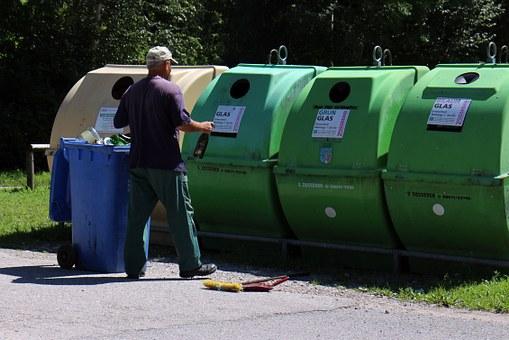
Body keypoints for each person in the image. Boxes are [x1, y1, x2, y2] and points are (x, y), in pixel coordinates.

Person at [113, 46, 217, 279]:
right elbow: (182, 124)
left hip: (138, 162)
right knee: (181, 214)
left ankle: (133, 267)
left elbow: (119, 121)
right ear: (166, 64)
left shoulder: (132, 91)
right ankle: (190, 264)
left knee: (137, 219)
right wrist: (204, 127)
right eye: (171, 63)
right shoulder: (171, 90)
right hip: (167, 164)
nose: (172, 68)